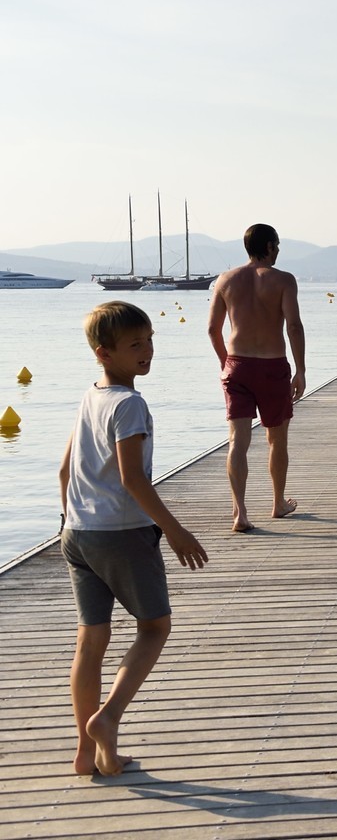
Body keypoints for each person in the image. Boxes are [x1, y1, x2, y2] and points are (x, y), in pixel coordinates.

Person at [59, 301, 208, 777]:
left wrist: (70, 518)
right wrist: (174, 528)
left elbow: (65, 469)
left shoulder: (90, 397)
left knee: (91, 641)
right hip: (121, 535)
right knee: (154, 627)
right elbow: (133, 479)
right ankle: (107, 719)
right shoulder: (129, 405)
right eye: (134, 345)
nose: (147, 351)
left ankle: (86, 753)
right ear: (104, 353)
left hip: (77, 533)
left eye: (149, 340)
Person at [206, 223, 306, 533]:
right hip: (272, 366)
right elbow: (293, 327)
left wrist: (227, 364)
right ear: (270, 246)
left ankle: (241, 513)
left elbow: (213, 329)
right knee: (276, 440)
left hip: (237, 367)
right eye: (277, 245)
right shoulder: (283, 280)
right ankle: (277, 504)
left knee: (237, 442)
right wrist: (301, 369)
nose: (278, 251)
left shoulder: (225, 280)